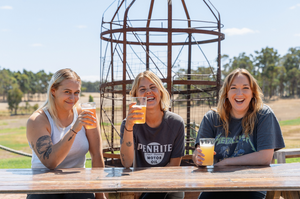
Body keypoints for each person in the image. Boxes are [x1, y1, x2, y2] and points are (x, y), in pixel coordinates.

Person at [193, 68, 285, 199]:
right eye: (234, 88)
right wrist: (197, 157)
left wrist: (226, 162)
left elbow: (265, 157)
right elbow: (198, 154)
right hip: (217, 184)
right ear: (226, 93)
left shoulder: (264, 114)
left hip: (254, 185)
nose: (239, 93)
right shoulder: (212, 118)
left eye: (245, 88)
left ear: (253, 93)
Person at [26, 68, 106, 199]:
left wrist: (100, 195)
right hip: (43, 184)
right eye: (67, 92)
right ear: (53, 91)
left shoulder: (86, 114)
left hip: (77, 183)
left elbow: (97, 155)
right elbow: (51, 162)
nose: (73, 98)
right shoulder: (38, 120)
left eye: (76, 92)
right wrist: (74, 129)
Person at [120, 70, 185, 199]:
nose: (148, 92)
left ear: (160, 92)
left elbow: (174, 166)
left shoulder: (176, 123)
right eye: (142, 89)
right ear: (136, 96)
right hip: (139, 185)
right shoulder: (128, 124)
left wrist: (148, 187)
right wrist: (128, 127)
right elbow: (126, 162)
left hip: (169, 187)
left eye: (153, 87)